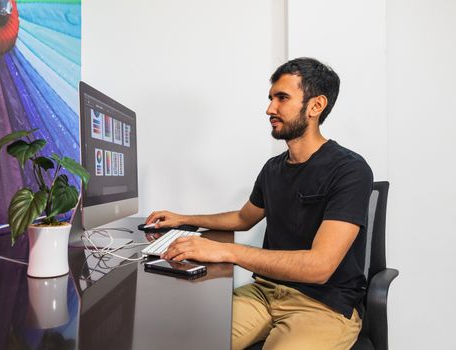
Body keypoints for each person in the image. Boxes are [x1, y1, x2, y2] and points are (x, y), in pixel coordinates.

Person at [145, 57, 373, 350]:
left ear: (316, 106)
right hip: (265, 293)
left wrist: (225, 251)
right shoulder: (273, 168)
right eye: (270, 98)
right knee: (190, 339)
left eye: (282, 98)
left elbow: (320, 266)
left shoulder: (350, 170)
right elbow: (243, 218)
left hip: (322, 306)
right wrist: (183, 218)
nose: (270, 109)